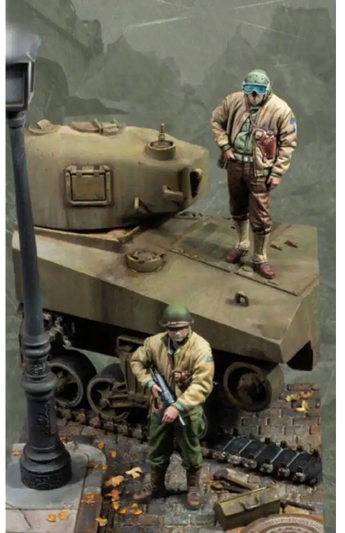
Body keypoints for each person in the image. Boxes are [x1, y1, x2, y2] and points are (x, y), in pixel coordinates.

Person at [210, 69, 297, 279]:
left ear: (267, 90)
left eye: (259, 90)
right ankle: (242, 243)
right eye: (249, 89)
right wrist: (225, 146)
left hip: (260, 170)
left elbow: (288, 143)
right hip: (235, 163)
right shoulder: (233, 101)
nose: (254, 94)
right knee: (237, 206)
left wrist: (277, 172)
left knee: (261, 215)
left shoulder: (281, 110)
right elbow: (216, 121)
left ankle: (260, 257)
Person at [129, 303, 215, 509]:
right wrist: (149, 383)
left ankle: (193, 487)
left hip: (187, 409)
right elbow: (136, 361)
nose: (177, 333)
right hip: (161, 406)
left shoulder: (200, 348)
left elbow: (203, 384)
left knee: (191, 450)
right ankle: (156, 486)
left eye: (182, 328)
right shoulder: (154, 343)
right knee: (157, 447)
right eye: (172, 328)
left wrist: (178, 406)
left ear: (189, 326)